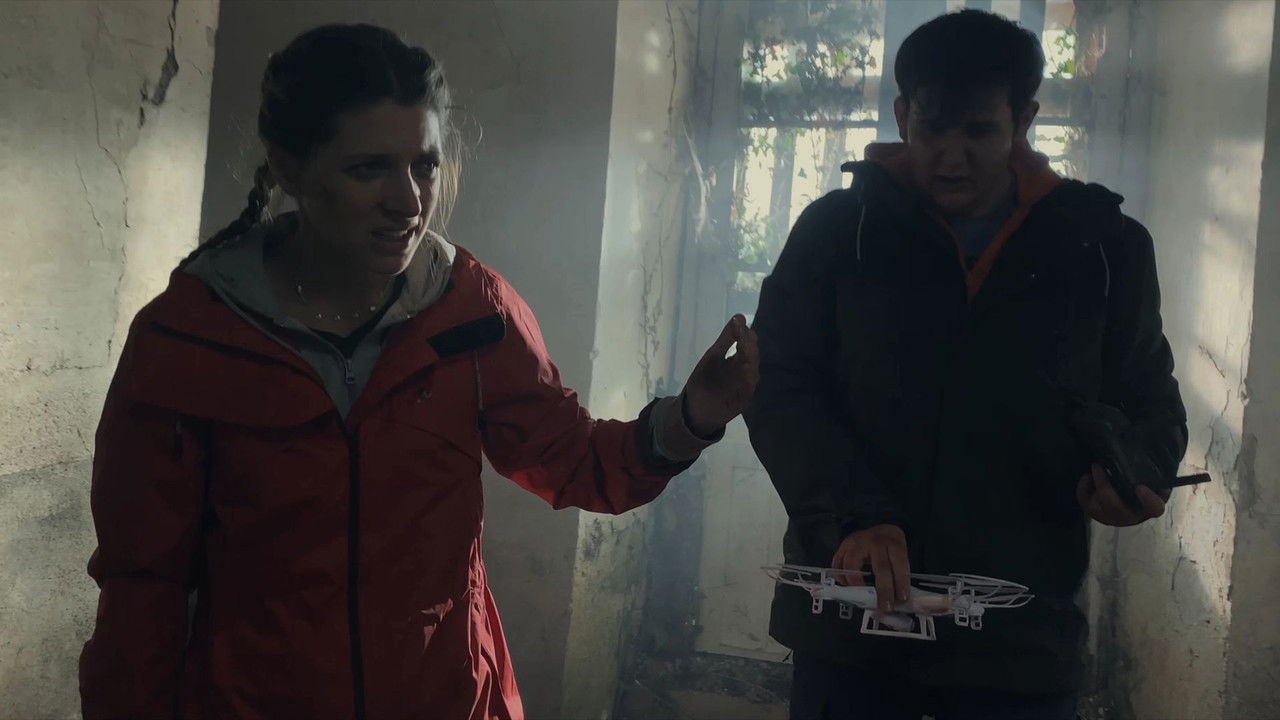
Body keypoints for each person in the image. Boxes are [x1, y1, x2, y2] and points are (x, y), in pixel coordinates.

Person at [78, 24, 757, 720]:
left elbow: (574, 460)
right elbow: (142, 584)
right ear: (288, 167)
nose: (407, 201)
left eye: (424, 166)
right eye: (368, 168)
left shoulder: (473, 311)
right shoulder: (191, 337)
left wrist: (690, 418)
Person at [745, 10, 1188, 720]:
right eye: (931, 130)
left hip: (1019, 634)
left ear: (1023, 121)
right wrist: (855, 514)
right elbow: (779, 384)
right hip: (854, 618)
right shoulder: (840, 233)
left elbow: (1149, 396)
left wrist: (1139, 472)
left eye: (979, 131)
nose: (951, 157)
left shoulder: (1101, 247)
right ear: (902, 117)